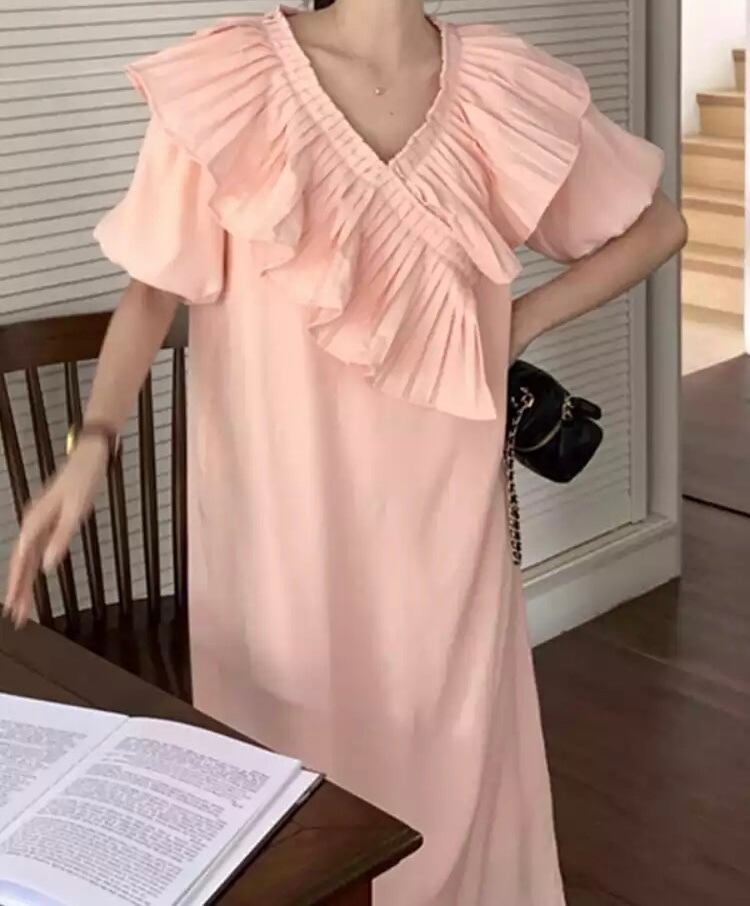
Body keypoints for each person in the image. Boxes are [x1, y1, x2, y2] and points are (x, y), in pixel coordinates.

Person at [2, 1, 686, 903]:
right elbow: (151, 294)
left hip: (446, 523)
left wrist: (518, 323)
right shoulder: (234, 79)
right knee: (288, 793)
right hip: (276, 523)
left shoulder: (498, 88)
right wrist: (93, 442)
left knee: (453, 762)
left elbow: (658, 227)